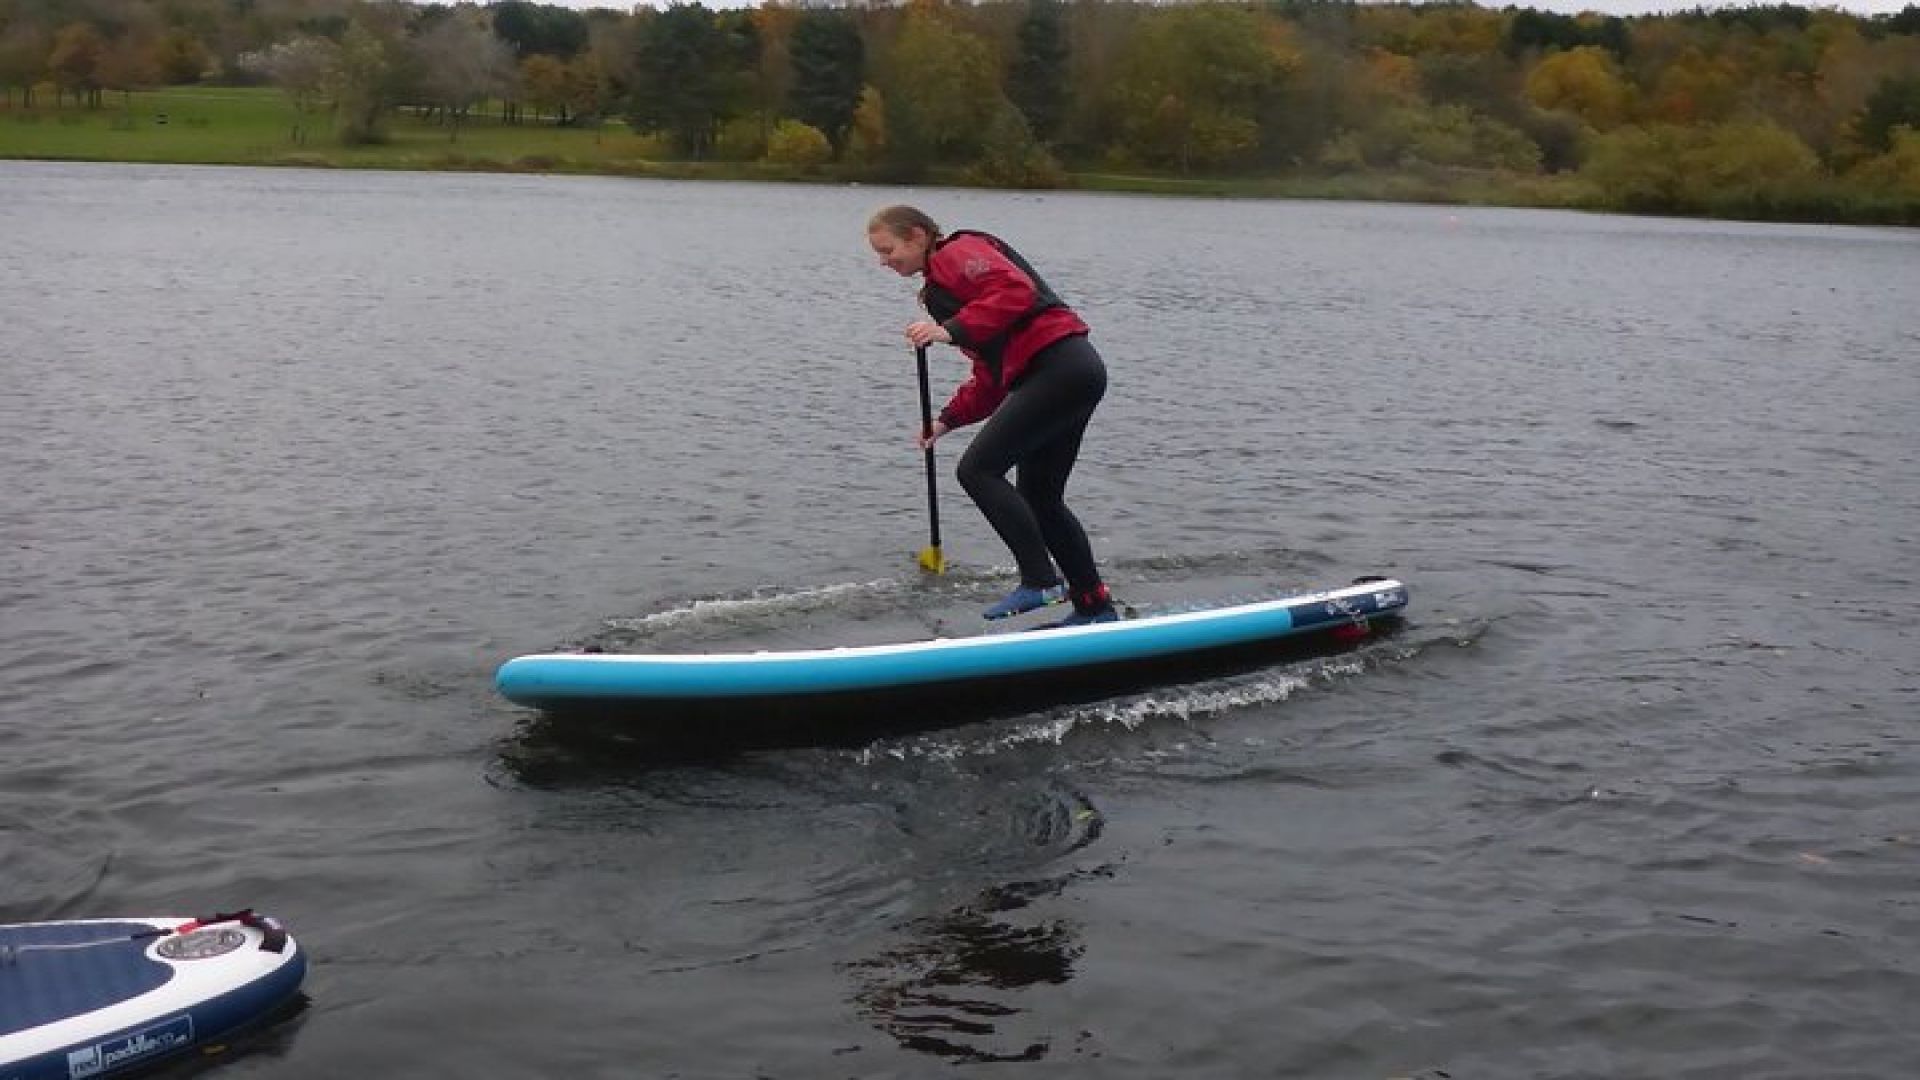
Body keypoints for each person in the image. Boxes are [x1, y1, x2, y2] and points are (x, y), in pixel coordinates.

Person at [867, 204, 1118, 626]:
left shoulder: (956, 253)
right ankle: (1095, 607)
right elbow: (990, 369)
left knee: (978, 470)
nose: (884, 262)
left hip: (1060, 367)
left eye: (888, 250)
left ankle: (1040, 580)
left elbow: (1016, 290)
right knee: (1041, 497)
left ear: (916, 235)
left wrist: (951, 330)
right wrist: (947, 420)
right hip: (1064, 374)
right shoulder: (937, 291)